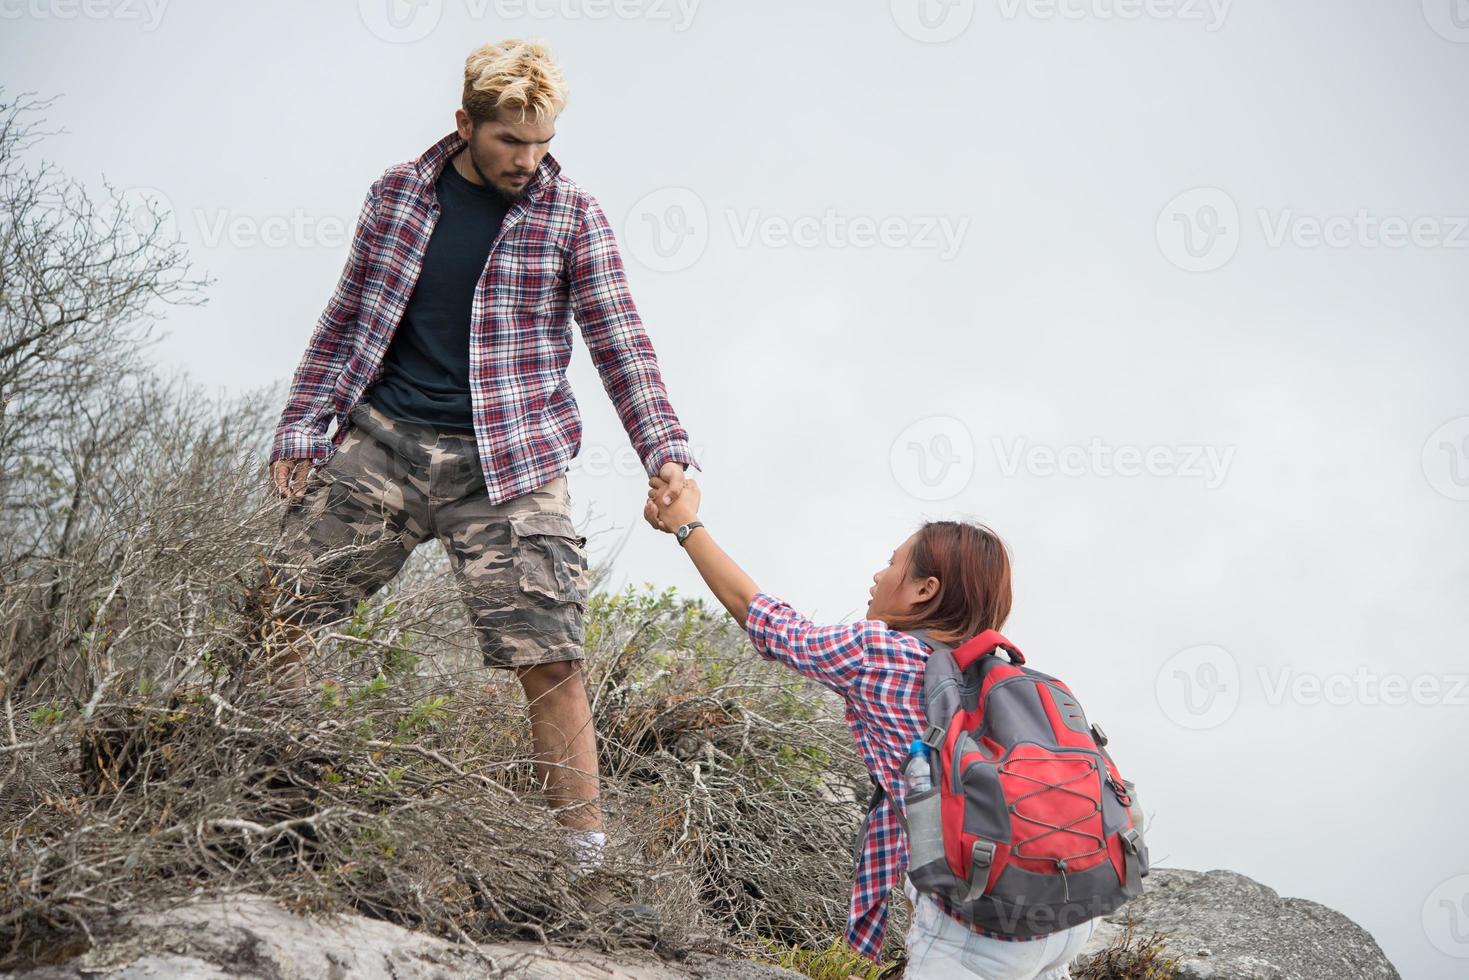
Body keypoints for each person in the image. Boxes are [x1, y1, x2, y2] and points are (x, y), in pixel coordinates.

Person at [260, 39, 697, 916]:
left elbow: (622, 343)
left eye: (540, 144)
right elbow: (345, 314)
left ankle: (586, 867)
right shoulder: (397, 194)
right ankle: (267, 791)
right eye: (509, 142)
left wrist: (667, 453)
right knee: (276, 610)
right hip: (382, 442)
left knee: (554, 659)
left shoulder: (571, 214)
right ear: (465, 124)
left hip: (508, 465)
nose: (526, 162)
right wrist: (302, 425)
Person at [642, 478, 1098, 978]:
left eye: (893, 563)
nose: (877, 576)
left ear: (926, 590)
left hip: (981, 926)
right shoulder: (1001, 678)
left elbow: (768, 623)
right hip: (1063, 914)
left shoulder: (883, 653)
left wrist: (687, 526)